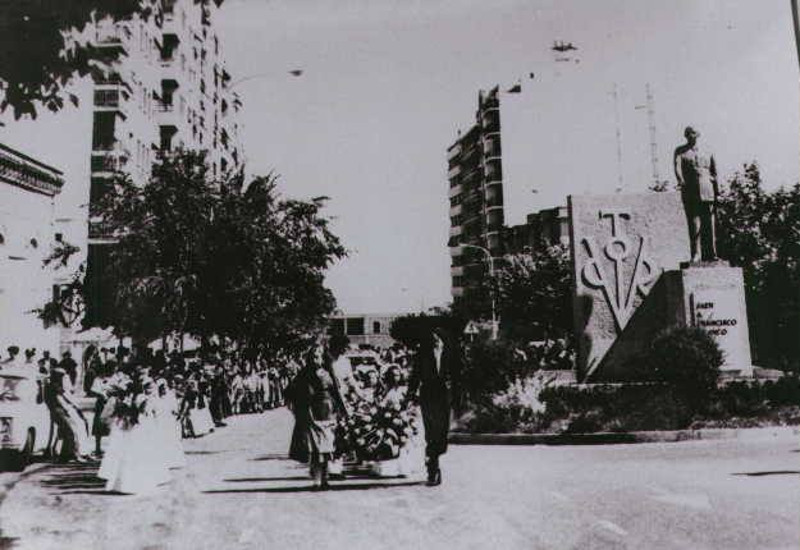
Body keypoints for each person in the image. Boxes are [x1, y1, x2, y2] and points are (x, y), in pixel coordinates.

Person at [405, 325, 462, 486]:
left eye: (437, 338)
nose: (435, 341)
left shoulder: (452, 353)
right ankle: (432, 469)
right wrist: (410, 395)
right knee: (431, 432)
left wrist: (458, 399)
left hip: (444, 396)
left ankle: (434, 459)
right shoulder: (423, 353)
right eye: (432, 339)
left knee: (441, 433)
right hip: (428, 396)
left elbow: (457, 377)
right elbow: (415, 375)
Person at [286, 344, 348, 490]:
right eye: (313, 356)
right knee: (316, 450)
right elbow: (291, 392)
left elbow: (336, 393)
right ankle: (317, 480)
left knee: (328, 449)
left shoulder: (328, 373)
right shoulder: (304, 374)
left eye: (318, 356)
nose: (316, 359)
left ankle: (325, 478)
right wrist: (298, 409)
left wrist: (342, 411)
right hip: (312, 414)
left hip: (328, 413)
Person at [674, 126, 719, 262]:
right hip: (691, 191)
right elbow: (677, 168)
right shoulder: (681, 151)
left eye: (693, 134)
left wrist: (717, 191)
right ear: (686, 136)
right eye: (688, 134)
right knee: (694, 224)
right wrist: (681, 181)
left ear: (697, 135)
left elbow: (715, 172)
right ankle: (696, 254)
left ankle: (712, 253)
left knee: (710, 223)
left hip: (708, 190)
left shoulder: (708, 151)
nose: (691, 136)